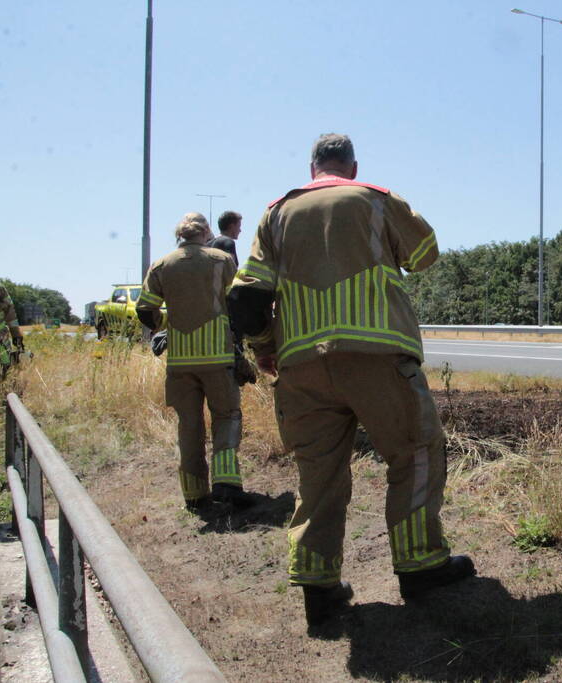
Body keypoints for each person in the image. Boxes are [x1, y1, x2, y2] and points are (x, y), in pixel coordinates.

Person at [228, 133, 475, 630]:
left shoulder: (275, 213)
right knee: (415, 453)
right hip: (376, 357)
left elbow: (246, 299)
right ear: (353, 166)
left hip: (301, 368)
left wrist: (264, 348)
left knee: (318, 474)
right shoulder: (376, 198)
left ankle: (319, 587)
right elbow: (426, 253)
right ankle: (420, 566)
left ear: (311, 167)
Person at [136, 213, 254, 511]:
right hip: (217, 356)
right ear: (204, 232)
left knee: (189, 426)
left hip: (180, 362)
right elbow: (237, 299)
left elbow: (145, 311)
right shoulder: (220, 259)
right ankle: (226, 484)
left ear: (180, 235)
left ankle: (193, 494)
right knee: (226, 416)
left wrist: (170, 321)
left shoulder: (161, 265)